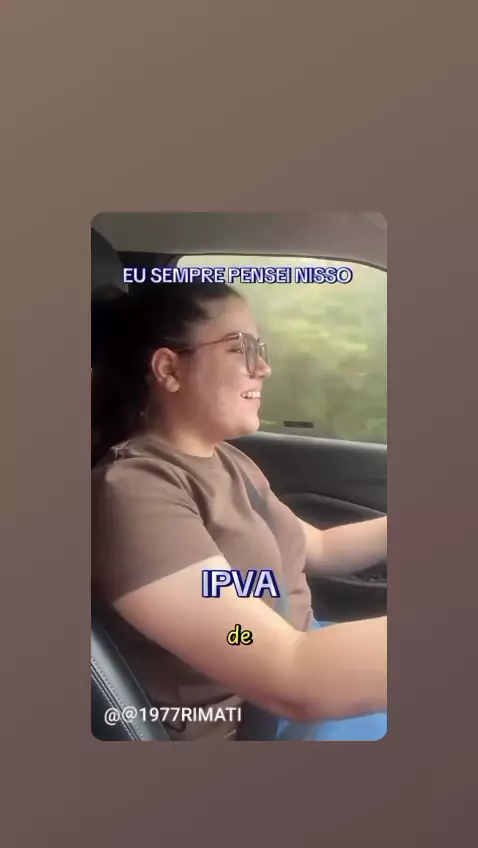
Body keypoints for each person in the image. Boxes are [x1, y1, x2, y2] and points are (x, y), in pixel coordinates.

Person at [91, 282, 387, 742]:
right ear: (169, 369)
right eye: (240, 348)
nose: (263, 368)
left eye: (260, 349)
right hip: (254, 725)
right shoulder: (133, 493)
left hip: (301, 668)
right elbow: (284, 670)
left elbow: (318, 547)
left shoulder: (229, 462)